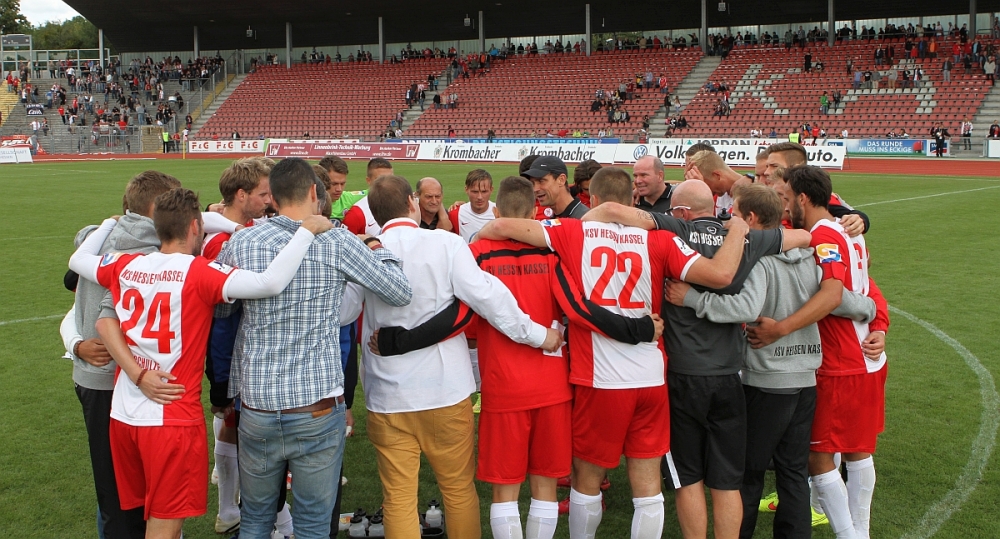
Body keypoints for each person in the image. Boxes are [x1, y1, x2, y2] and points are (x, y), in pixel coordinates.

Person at [476, 166, 753, 539]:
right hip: (650, 375)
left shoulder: (573, 231)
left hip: (600, 378)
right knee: (648, 485)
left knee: (587, 479)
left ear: (591, 199)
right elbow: (721, 275)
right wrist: (737, 229)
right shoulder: (661, 240)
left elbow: (500, 227)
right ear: (632, 202)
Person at [68, 188, 330, 539]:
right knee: (164, 524)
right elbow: (270, 282)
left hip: (124, 415)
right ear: (195, 227)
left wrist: (106, 224)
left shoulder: (126, 264)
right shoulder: (199, 272)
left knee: (139, 519)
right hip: (172, 416)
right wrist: (306, 232)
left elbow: (78, 260)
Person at [581, 179, 812, 539]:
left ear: (682, 212)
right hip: (730, 377)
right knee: (727, 481)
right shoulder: (747, 238)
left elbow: (611, 210)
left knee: (688, 478)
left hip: (683, 376)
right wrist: (740, 228)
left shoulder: (676, 230)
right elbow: (805, 238)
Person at [339, 174, 562, 539]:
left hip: (388, 394)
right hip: (444, 390)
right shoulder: (445, 243)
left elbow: (343, 312)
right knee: (457, 490)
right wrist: (539, 335)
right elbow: (489, 298)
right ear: (412, 202)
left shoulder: (367, 251)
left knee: (398, 498)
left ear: (375, 214)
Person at [663, 184, 881, 538]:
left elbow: (744, 308)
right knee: (793, 471)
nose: (729, 220)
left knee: (747, 472)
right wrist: (870, 308)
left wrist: (693, 299)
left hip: (766, 381)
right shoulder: (810, 254)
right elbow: (837, 298)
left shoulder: (756, 259)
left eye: (735, 214)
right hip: (805, 379)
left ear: (750, 219)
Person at [216, 158, 414, 538]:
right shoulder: (335, 240)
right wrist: (376, 245)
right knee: (312, 525)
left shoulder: (242, 241)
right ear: (313, 192)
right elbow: (399, 290)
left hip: (258, 402)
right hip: (315, 404)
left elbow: (222, 308)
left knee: (255, 518)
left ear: (273, 197)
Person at [749, 166, 889, 539]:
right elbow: (866, 285)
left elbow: (833, 295)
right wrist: (878, 322)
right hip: (864, 357)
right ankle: (860, 532)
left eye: (785, 197)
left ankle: (851, 535)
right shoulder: (847, 230)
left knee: (817, 456)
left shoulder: (823, 236)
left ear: (802, 198)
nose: (784, 206)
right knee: (858, 450)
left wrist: (780, 328)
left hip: (840, 360)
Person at [62, 172, 191, 539]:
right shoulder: (149, 253)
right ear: (157, 208)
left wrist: (74, 344)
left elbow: (75, 298)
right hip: (121, 381)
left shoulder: (95, 236)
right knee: (131, 492)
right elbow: (107, 317)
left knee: (115, 489)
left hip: (97, 378)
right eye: (175, 204)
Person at [523, 156, 588, 219]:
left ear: (561, 180)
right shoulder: (553, 217)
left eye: (541, 181)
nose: (535, 189)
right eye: (533, 183)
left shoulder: (585, 219)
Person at [342, 158, 395, 235]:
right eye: (380, 180)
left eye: (391, 179)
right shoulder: (357, 214)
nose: (387, 184)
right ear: (368, 181)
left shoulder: (405, 206)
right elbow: (344, 241)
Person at [448, 168, 497, 242]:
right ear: (466, 190)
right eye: (475, 192)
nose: (480, 197)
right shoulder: (456, 214)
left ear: (491, 190)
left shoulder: (500, 213)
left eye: (484, 192)